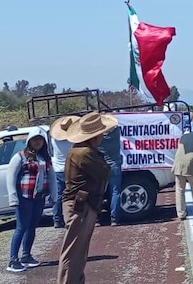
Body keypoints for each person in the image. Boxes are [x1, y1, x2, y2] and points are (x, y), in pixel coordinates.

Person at [58, 112, 116, 284]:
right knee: (74, 252)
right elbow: (104, 172)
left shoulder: (81, 150)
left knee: (78, 251)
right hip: (80, 205)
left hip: (81, 203)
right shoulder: (84, 153)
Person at [5, 129, 52, 273]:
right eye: (34, 139)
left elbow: (51, 177)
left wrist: (54, 196)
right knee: (21, 227)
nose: (37, 142)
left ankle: (26, 256)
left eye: (40, 139)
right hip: (24, 198)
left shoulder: (44, 158)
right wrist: (13, 197)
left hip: (39, 197)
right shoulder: (19, 157)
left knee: (32, 226)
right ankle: (13, 260)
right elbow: (10, 177)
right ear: (29, 141)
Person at [49, 116, 78, 229]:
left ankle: (57, 219)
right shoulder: (72, 139)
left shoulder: (54, 139)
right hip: (70, 168)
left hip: (58, 169)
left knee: (59, 195)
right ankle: (72, 216)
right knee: (73, 195)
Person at [96, 123, 122, 226]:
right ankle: (114, 218)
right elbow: (115, 125)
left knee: (99, 192)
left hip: (101, 166)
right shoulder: (116, 133)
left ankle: (97, 218)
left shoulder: (98, 137)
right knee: (115, 192)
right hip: (114, 164)